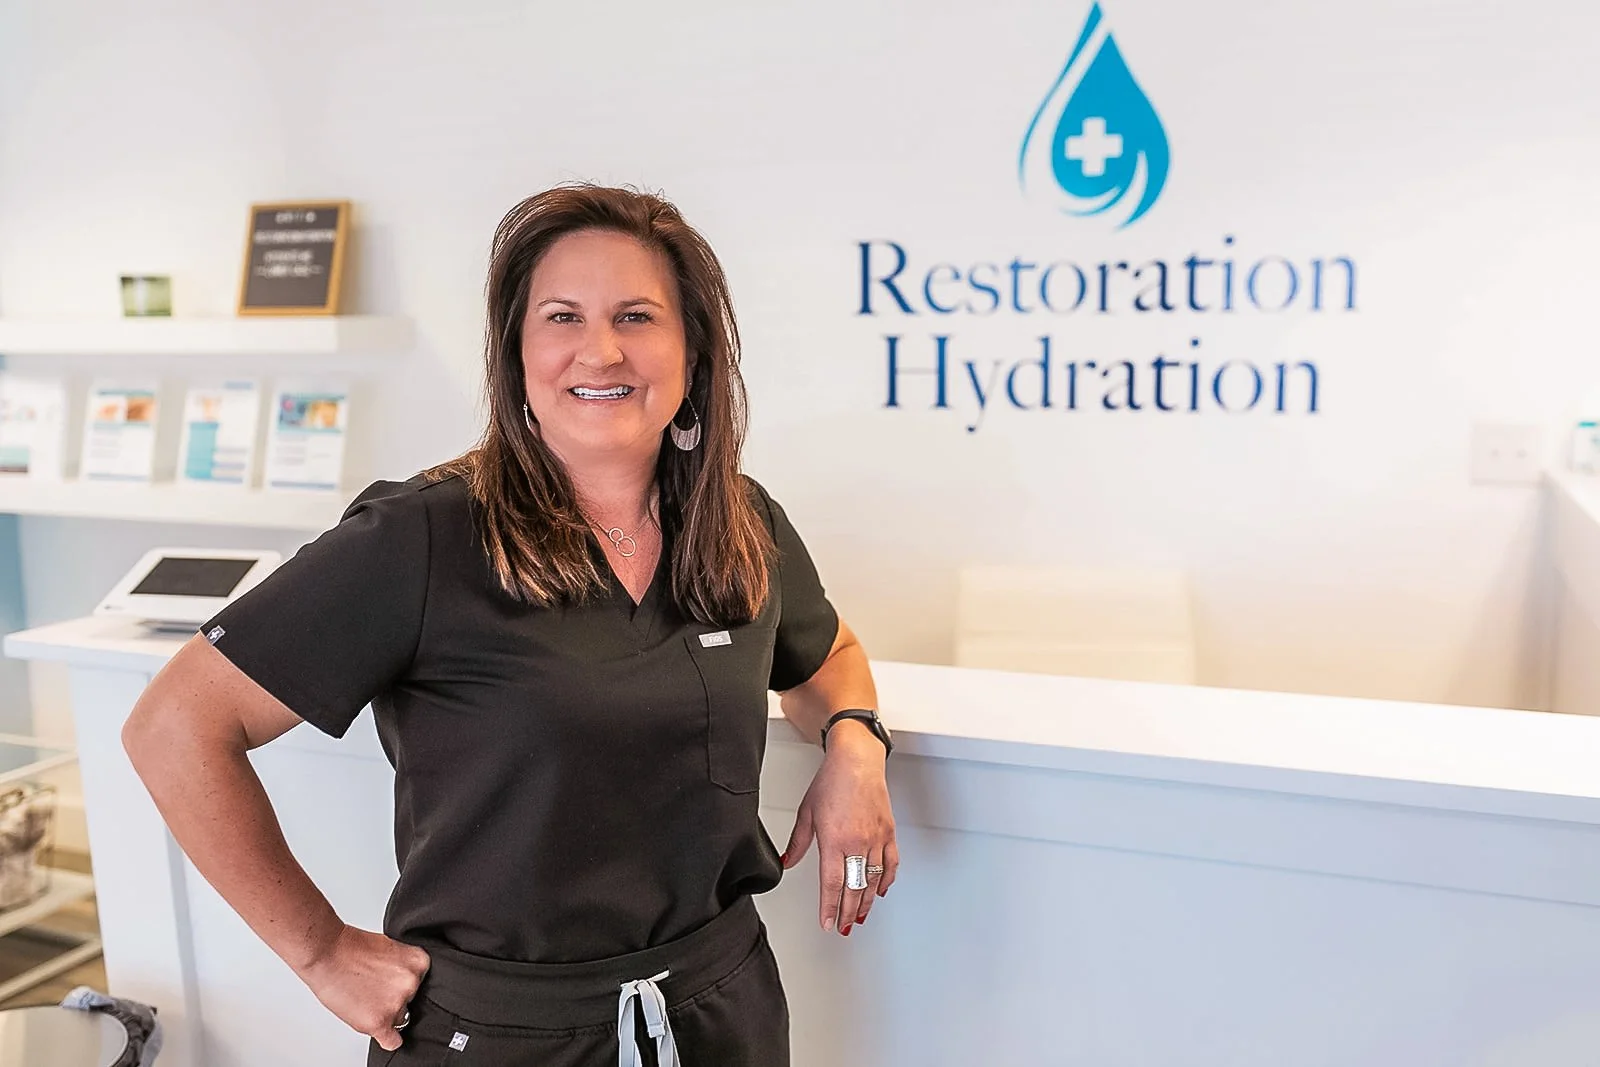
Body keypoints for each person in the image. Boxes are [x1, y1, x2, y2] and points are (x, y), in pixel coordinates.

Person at [121, 185, 899, 1066]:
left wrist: (855, 740)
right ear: (517, 351)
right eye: (562, 316)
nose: (600, 350)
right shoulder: (421, 536)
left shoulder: (739, 521)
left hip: (722, 1012)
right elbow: (175, 725)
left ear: (694, 349)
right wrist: (322, 951)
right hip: (498, 1035)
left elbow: (826, 651)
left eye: (636, 316)